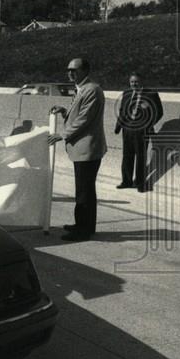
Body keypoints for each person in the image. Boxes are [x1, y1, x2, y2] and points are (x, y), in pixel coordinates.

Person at [48, 58, 107, 241]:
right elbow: (78, 115)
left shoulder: (92, 90)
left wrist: (62, 134)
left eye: (74, 70)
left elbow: (84, 119)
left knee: (84, 191)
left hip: (88, 148)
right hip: (83, 149)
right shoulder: (83, 89)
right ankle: (83, 224)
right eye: (68, 69)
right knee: (84, 190)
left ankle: (83, 230)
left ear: (85, 70)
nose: (70, 73)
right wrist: (65, 112)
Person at [114, 72, 163, 192]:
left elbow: (159, 112)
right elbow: (122, 111)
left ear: (141, 82)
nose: (134, 84)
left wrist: (148, 125)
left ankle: (140, 183)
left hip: (142, 131)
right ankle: (126, 181)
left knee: (141, 157)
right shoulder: (126, 94)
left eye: (136, 82)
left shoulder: (151, 94)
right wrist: (118, 127)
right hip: (127, 130)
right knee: (127, 156)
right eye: (132, 82)